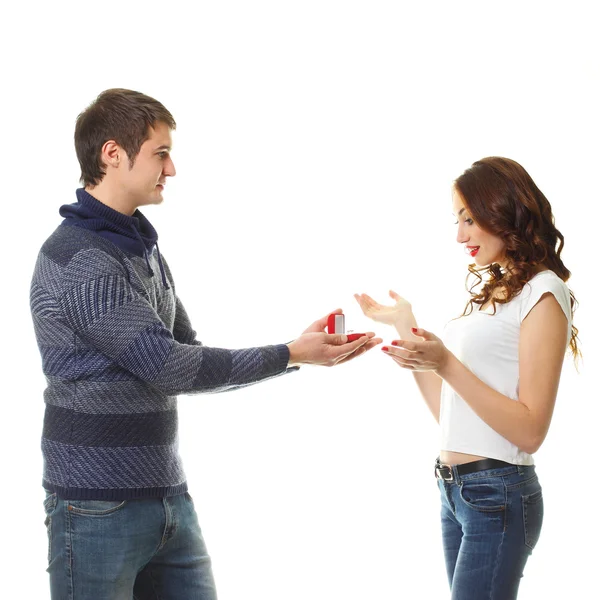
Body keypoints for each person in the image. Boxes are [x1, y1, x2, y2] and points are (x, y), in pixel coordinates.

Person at [30, 88, 382, 600]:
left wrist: (297, 353)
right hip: (95, 506)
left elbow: (188, 350)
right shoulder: (80, 259)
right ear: (112, 154)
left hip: (166, 496)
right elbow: (170, 367)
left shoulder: (139, 246)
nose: (171, 169)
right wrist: (291, 353)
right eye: (161, 153)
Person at [355, 156, 579, 600]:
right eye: (458, 220)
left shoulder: (544, 292)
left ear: (502, 211)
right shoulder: (495, 293)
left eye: (469, 219)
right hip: (457, 492)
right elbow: (451, 413)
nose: (460, 235)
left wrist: (445, 363)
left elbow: (531, 430)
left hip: (497, 493)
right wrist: (407, 327)